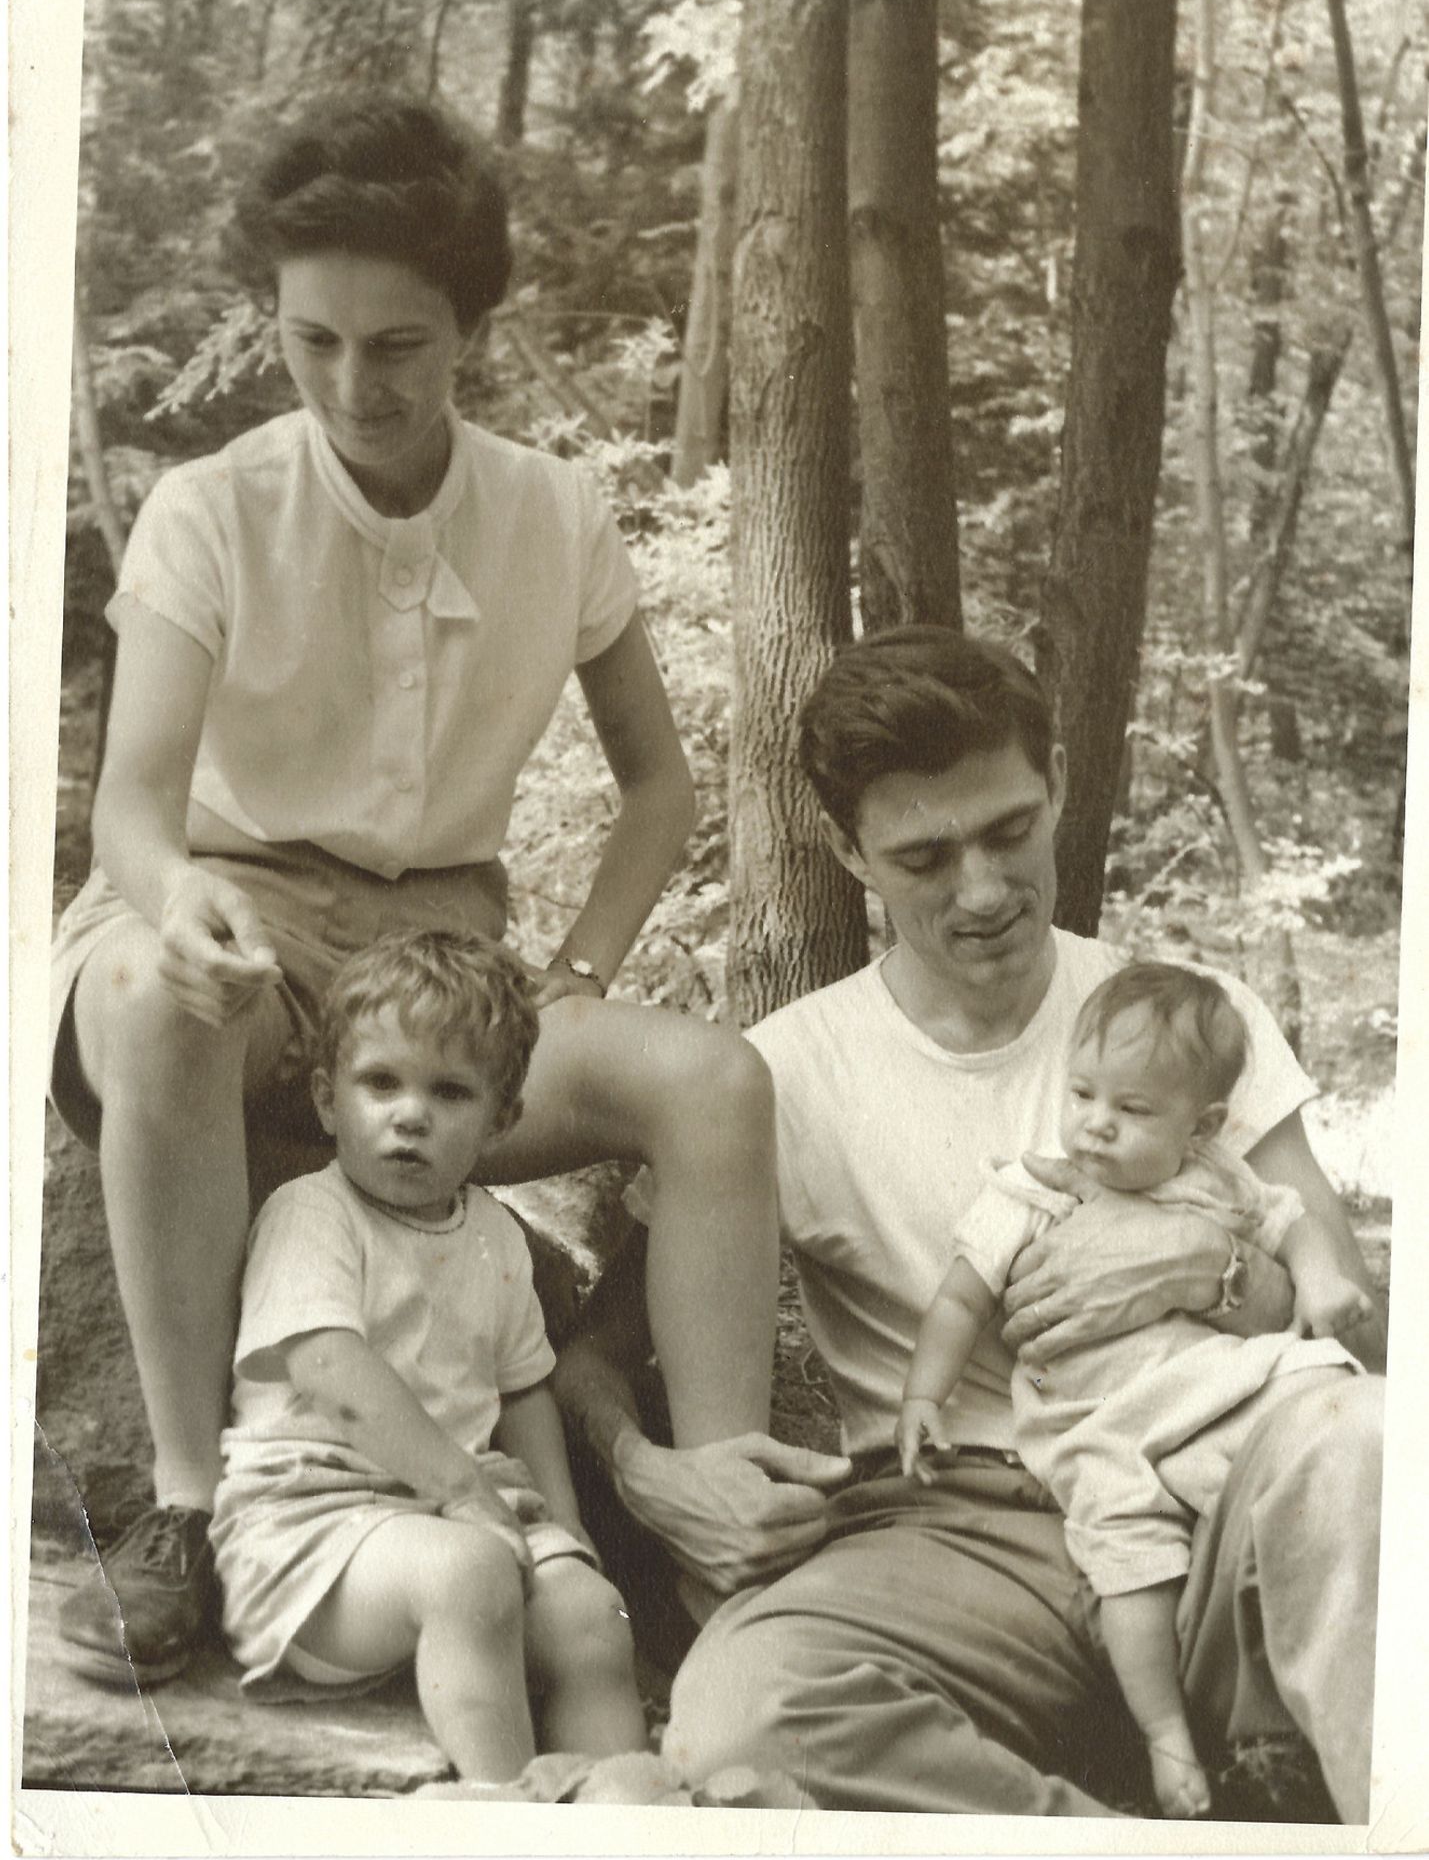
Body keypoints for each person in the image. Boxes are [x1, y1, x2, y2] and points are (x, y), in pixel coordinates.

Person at [50, 90, 778, 1687]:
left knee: (714, 1079)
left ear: (472, 330)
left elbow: (658, 785)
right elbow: (134, 809)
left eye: (400, 345)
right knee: (149, 996)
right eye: (313, 342)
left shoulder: (553, 511)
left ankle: (733, 1549)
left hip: (449, 963)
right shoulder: (210, 507)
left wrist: (579, 966)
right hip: (229, 910)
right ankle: (194, 1512)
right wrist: (177, 904)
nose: (353, 385)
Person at [554, 624, 1386, 1820]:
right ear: (848, 850)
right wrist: (649, 1473)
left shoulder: (1182, 1017)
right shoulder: (782, 1073)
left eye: (1009, 830)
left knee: (1366, 1443)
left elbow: (1336, 1320)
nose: (984, 890)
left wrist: (1201, 1269)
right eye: (925, 854)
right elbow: (593, 1350)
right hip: (959, 1533)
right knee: (746, 1708)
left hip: (1209, 1485)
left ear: (1053, 790)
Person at [896, 960, 1373, 1817]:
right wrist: (921, 1397)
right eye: (1081, 1096)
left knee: (1341, 1426)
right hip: (1100, 1426)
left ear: (1203, 1125)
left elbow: (1290, 1220)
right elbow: (961, 1296)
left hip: (1219, 1393)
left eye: (1132, 1109)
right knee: (1129, 1563)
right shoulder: (1032, 1192)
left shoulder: (1217, 1177)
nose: (1095, 1128)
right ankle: (1166, 1739)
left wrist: (1318, 1280)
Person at [209, 930, 646, 1779]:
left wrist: (566, 1529)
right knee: (474, 1574)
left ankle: (624, 1803)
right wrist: (458, 1488)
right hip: (310, 1531)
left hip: (461, 1515)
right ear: (328, 1100)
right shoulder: (315, 1214)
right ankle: (502, 1809)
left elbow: (523, 1394)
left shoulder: (494, 1237)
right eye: (380, 1084)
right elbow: (328, 1367)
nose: (410, 1114)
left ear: (501, 1121)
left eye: (450, 1092)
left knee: (593, 1615)